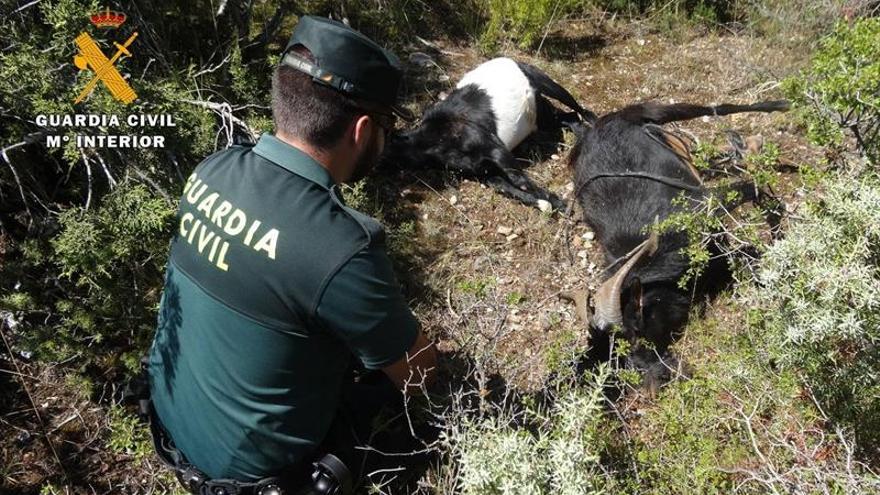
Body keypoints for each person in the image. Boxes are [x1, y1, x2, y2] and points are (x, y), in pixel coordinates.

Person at [146, 15, 437, 495]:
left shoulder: (213, 168)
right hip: (253, 478)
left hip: (169, 423)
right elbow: (418, 370)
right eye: (386, 127)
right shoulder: (340, 246)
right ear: (362, 131)